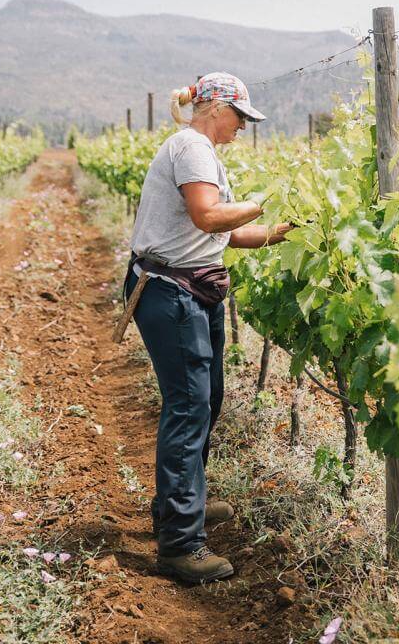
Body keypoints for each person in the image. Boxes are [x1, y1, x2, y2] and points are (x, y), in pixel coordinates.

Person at [123, 72, 290, 584]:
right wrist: (269, 196)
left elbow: (232, 232)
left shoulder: (202, 151)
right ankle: (179, 545)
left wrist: (283, 232)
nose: (243, 127)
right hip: (173, 294)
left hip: (192, 289)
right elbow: (207, 217)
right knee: (189, 406)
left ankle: (181, 502)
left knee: (205, 400)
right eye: (241, 117)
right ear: (216, 108)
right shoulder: (192, 147)